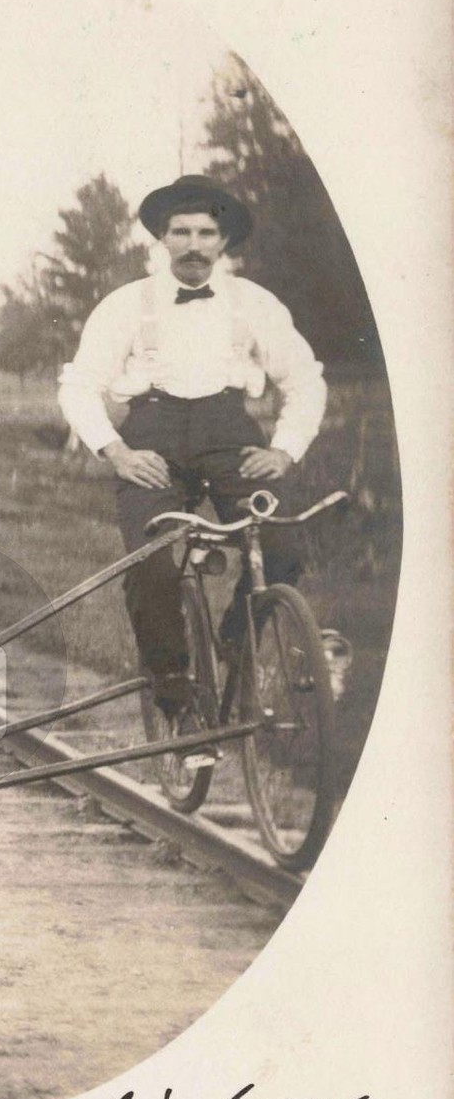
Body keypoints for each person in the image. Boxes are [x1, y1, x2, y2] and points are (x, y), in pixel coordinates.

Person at [58, 173, 327, 723]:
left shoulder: (255, 304)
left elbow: (305, 381)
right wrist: (116, 452)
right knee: (151, 565)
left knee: (283, 546)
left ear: (223, 242)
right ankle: (173, 681)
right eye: (180, 232)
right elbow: (79, 385)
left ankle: (237, 637)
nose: (193, 245)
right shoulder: (126, 305)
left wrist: (284, 450)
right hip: (151, 437)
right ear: (161, 239)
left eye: (206, 232)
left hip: (230, 433)